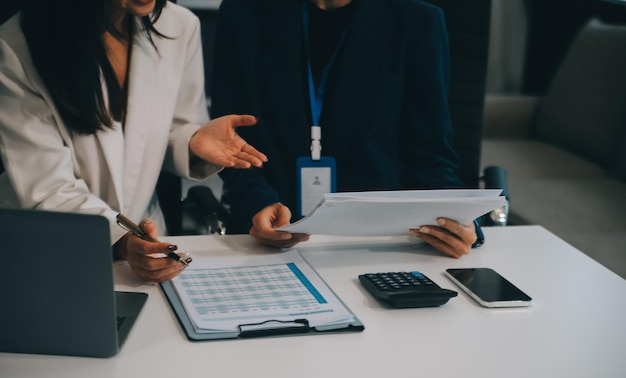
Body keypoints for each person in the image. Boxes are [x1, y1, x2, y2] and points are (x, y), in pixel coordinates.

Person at [0, 0, 267, 282]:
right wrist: (122, 241)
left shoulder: (178, 26)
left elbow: (160, 134)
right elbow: (47, 187)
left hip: (148, 243)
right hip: (53, 251)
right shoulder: (18, 46)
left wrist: (191, 141)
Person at [211, 0, 483, 257]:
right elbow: (231, 140)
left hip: (379, 241)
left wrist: (459, 220)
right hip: (268, 238)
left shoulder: (417, 22)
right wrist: (257, 203)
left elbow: (430, 153)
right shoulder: (244, 14)